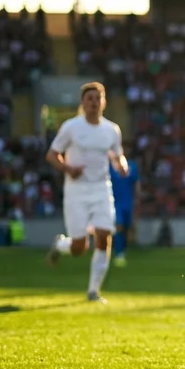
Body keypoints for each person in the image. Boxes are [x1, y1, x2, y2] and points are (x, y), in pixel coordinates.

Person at [44, 82, 126, 303]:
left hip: (101, 188)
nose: (94, 102)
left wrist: (122, 166)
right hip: (76, 191)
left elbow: (118, 155)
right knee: (80, 247)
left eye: (97, 98)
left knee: (104, 236)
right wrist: (67, 168)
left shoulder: (111, 130)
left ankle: (93, 291)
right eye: (89, 98)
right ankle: (61, 245)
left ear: (104, 102)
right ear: (83, 102)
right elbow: (52, 155)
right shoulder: (71, 127)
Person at [110, 143, 139, 267]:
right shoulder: (110, 165)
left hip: (128, 201)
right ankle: (118, 253)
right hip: (114, 201)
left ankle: (122, 250)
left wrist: (137, 197)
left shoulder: (132, 166)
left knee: (127, 228)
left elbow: (136, 182)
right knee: (119, 226)